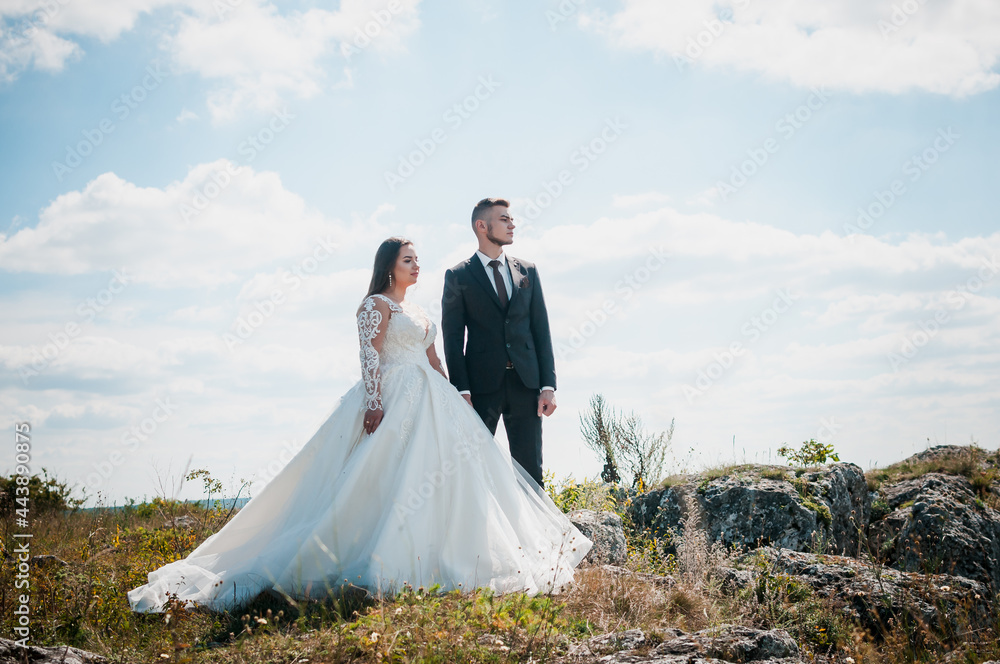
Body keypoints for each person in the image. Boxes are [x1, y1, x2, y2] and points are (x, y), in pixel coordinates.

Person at [127, 237, 591, 613]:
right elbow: (369, 356)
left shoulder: (422, 311)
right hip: (391, 395)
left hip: (431, 397)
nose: (417, 266)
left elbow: (435, 360)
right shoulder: (375, 305)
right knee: (380, 474)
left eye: (417, 260)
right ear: (390, 266)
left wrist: (453, 399)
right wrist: (373, 402)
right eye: (409, 260)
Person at [441, 198, 556, 487]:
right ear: (482, 226)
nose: (512, 224)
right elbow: (453, 337)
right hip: (480, 388)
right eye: (504, 219)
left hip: (526, 383)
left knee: (530, 470)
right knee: (472, 468)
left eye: (511, 219)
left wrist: (547, 386)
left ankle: (536, 532)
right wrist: (461, 389)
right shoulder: (458, 276)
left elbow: (541, 329)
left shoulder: (528, 270)